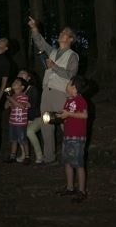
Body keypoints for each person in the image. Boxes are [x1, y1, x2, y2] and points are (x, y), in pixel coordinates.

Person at [28, 16, 78, 164]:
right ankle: (49, 157)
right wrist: (34, 28)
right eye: (61, 32)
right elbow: (40, 43)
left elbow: (71, 75)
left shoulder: (73, 55)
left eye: (65, 33)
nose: (61, 34)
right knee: (46, 125)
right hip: (46, 93)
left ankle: (72, 155)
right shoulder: (53, 51)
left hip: (61, 93)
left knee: (65, 123)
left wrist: (54, 67)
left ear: (70, 39)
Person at [56, 76, 90, 203]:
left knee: (78, 164)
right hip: (67, 136)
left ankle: (82, 191)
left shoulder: (80, 100)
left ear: (75, 88)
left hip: (77, 137)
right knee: (67, 162)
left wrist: (69, 114)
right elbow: (66, 115)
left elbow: (84, 115)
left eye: (69, 83)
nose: (67, 85)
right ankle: (70, 187)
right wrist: (61, 118)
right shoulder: (68, 101)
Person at [19, 70, 45, 164]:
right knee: (18, 130)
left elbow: (32, 105)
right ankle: (24, 154)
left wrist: (16, 102)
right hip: (25, 118)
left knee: (29, 131)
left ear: (29, 78)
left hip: (38, 117)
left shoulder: (33, 89)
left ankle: (39, 156)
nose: (20, 74)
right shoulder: (18, 90)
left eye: (23, 73)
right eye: (19, 73)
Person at [3, 77, 30, 163]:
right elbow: (5, 107)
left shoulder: (24, 96)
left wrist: (11, 100)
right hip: (12, 122)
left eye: (17, 82)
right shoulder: (12, 96)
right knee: (13, 140)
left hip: (21, 123)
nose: (14, 82)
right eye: (14, 81)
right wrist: (8, 100)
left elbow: (22, 106)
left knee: (23, 140)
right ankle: (12, 156)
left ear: (22, 87)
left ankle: (27, 157)